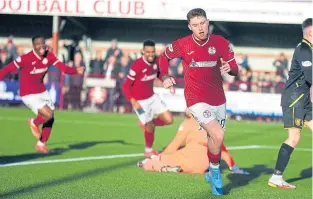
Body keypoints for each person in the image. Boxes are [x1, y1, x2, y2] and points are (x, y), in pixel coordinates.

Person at [158, 8, 239, 195]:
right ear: (189, 27)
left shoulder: (220, 42)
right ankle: (216, 173)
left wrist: (230, 68)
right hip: (195, 99)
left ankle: (212, 171)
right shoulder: (182, 44)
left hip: (218, 98)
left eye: (202, 23)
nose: (200, 28)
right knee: (218, 134)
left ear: (208, 22)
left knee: (215, 139)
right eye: (195, 25)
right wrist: (164, 76)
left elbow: (234, 67)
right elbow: (163, 57)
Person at [0, 36, 85, 153]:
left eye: (42, 43)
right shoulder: (25, 58)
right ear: (33, 46)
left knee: (50, 118)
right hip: (28, 93)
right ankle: (33, 122)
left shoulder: (49, 56)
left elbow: (63, 68)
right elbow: (6, 70)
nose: (40, 46)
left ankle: (41, 144)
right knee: (48, 114)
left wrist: (76, 70)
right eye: (37, 44)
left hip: (42, 91)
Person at [268, 18, 312, 189]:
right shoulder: (304, 50)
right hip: (295, 99)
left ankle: (276, 177)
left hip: (304, 99)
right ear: (310, 33)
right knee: (294, 137)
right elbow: (310, 77)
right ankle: (276, 177)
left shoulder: (309, 49)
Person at [138, 109, 249, 175]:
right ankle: (163, 164)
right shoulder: (212, 124)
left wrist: (161, 156)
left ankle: (156, 164)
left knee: (151, 163)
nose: (185, 108)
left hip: (188, 158)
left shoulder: (187, 123)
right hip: (202, 166)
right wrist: (235, 168)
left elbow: (174, 145)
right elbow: (222, 149)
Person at [122, 40, 174, 158]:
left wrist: (167, 82)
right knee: (150, 125)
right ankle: (148, 150)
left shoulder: (156, 61)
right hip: (140, 102)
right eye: (148, 52)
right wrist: (133, 101)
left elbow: (158, 74)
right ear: (143, 52)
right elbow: (125, 86)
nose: (151, 54)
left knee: (169, 120)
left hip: (153, 97)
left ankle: (145, 124)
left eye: (152, 51)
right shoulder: (137, 65)